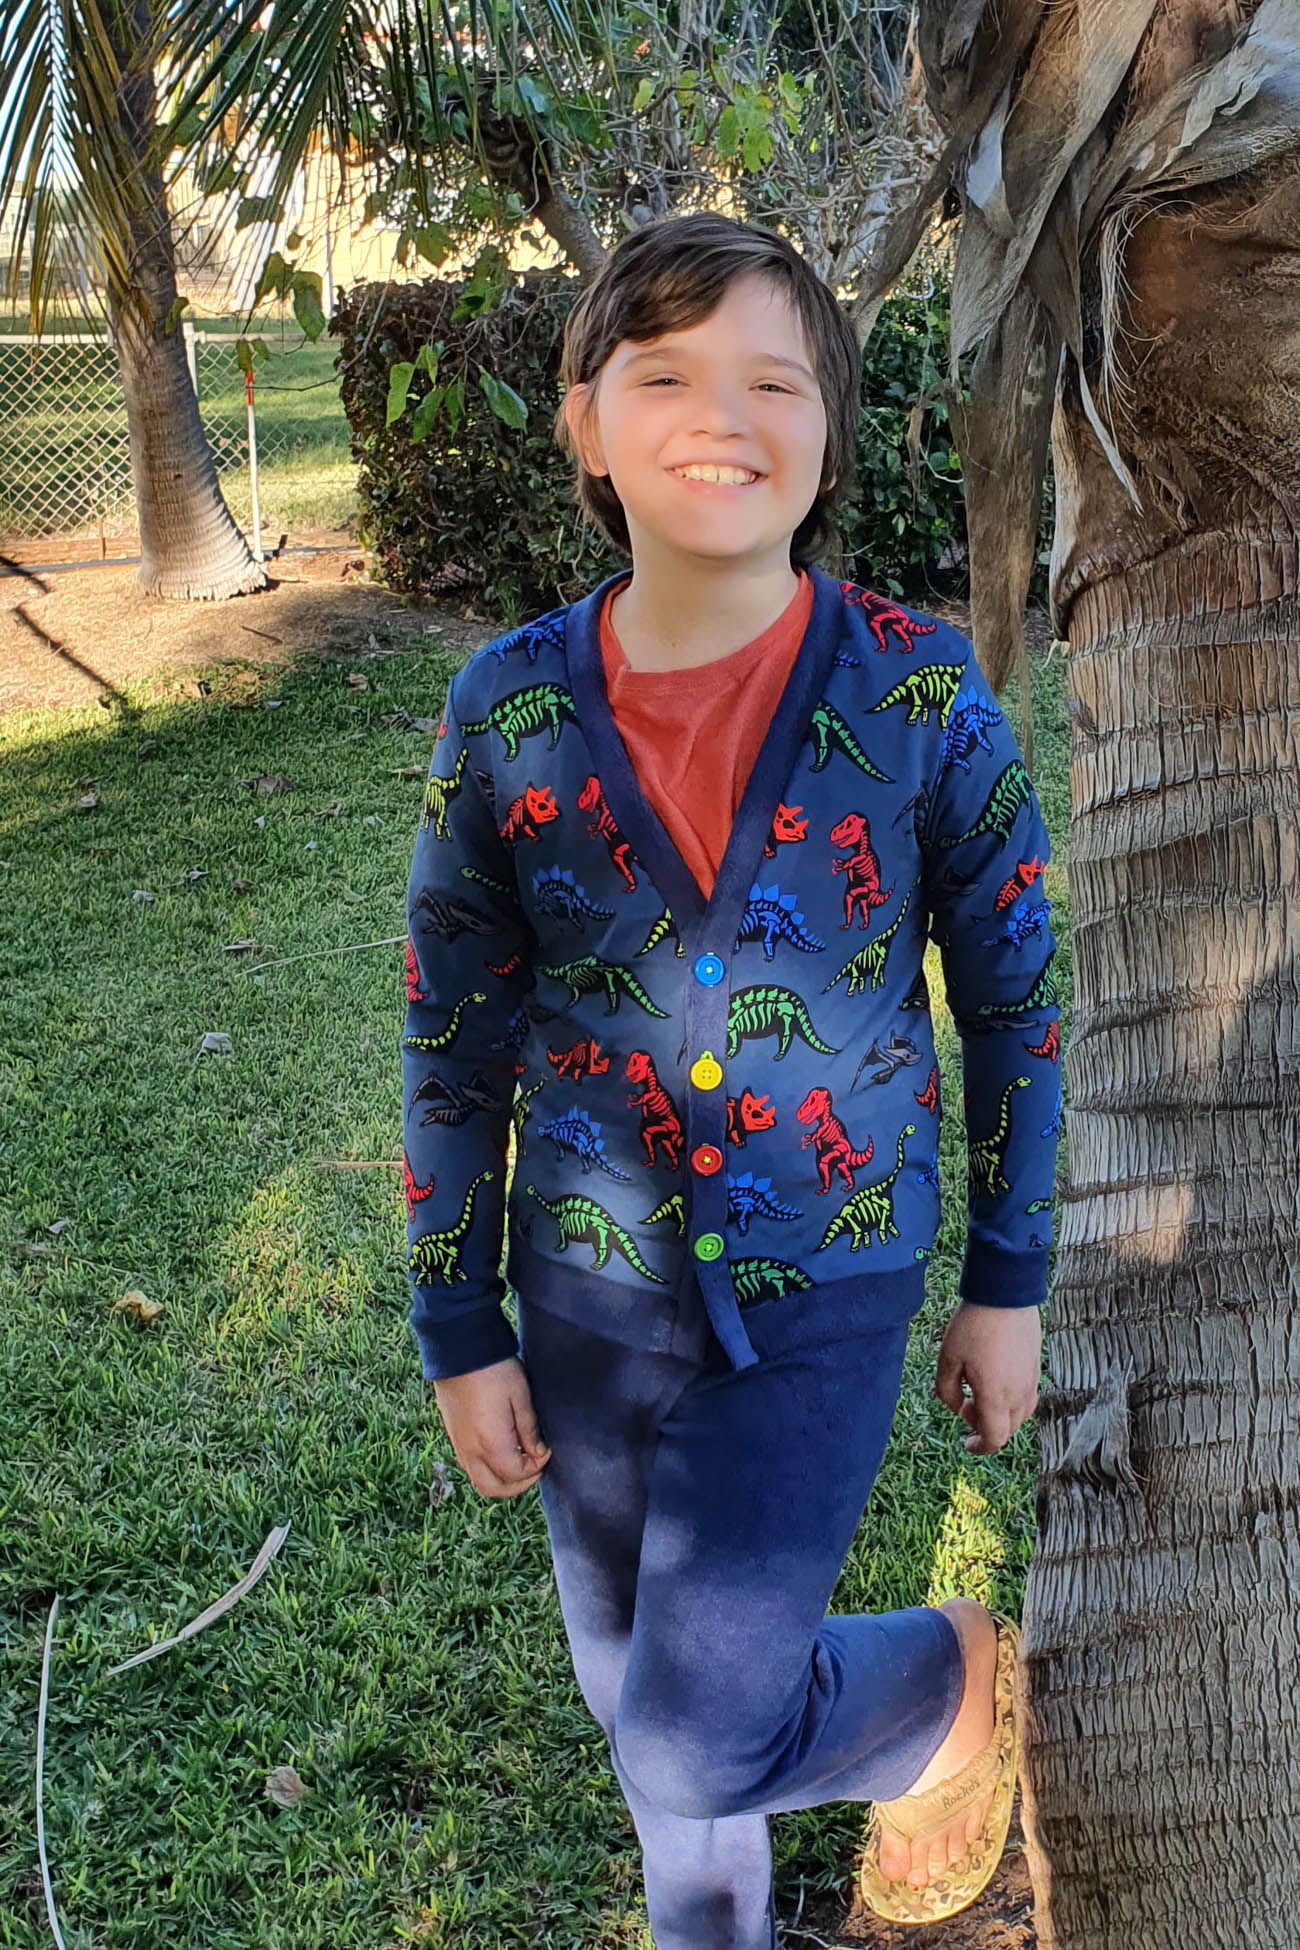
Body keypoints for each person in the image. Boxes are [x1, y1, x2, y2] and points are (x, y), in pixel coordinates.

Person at [400, 212, 1061, 1947]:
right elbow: (454, 1033)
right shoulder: (506, 709)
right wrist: (459, 1320)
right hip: (583, 1291)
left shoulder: (920, 695)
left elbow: (1015, 1005)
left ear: (832, 431)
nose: (721, 415)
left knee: (697, 1734)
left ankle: (944, 1681)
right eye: (666, 374)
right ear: (585, 422)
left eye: (775, 381)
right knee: (647, 1733)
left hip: (824, 1288)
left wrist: (1007, 1281)